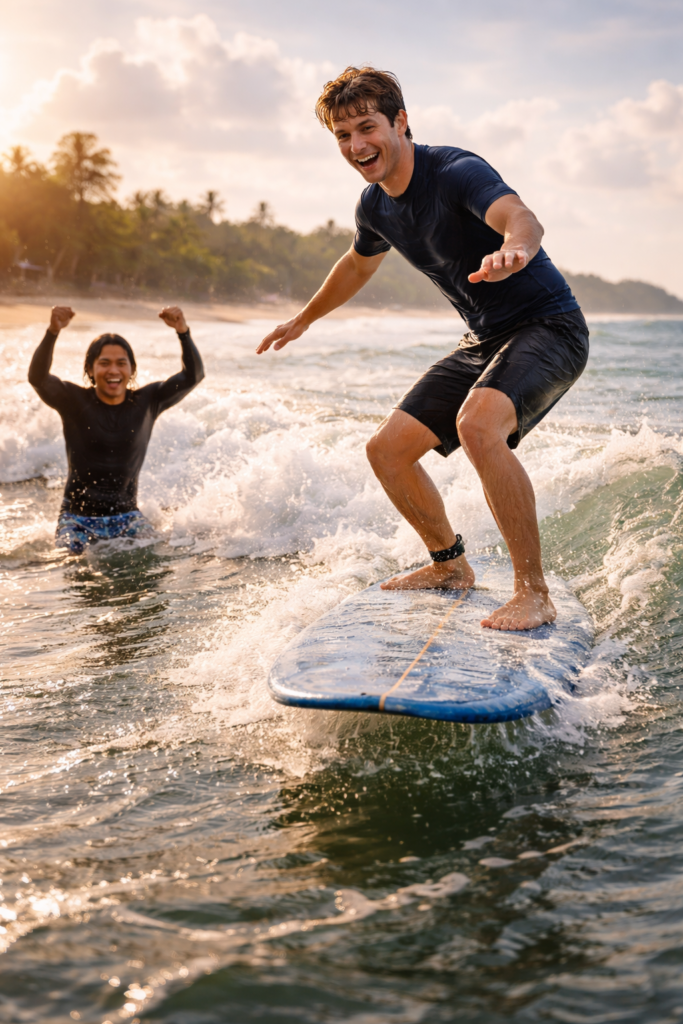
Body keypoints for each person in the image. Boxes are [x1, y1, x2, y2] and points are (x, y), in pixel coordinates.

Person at [256, 66, 589, 632]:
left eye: (367, 127)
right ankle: (449, 565)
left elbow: (520, 217)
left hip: (549, 325)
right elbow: (357, 263)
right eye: (342, 135)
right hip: (484, 338)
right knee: (386, 450)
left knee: (478, 426)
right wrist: (303, 319)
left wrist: (516, 248)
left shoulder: (456, 171)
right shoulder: (375, 206)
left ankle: (534, 592)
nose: (357, 145)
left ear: (401, 121)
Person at [28, 305, 204, 554]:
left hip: (127, 516)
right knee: (69, 564)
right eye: (104, 363)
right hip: (77, 518)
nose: (113, 370)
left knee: (159, 560)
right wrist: (53, 331)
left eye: (122, 363)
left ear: (131, 369)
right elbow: (38, 378)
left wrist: (183, 332)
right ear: (90, 369)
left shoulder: (148, 401)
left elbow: (193, 376)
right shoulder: (72, 400)